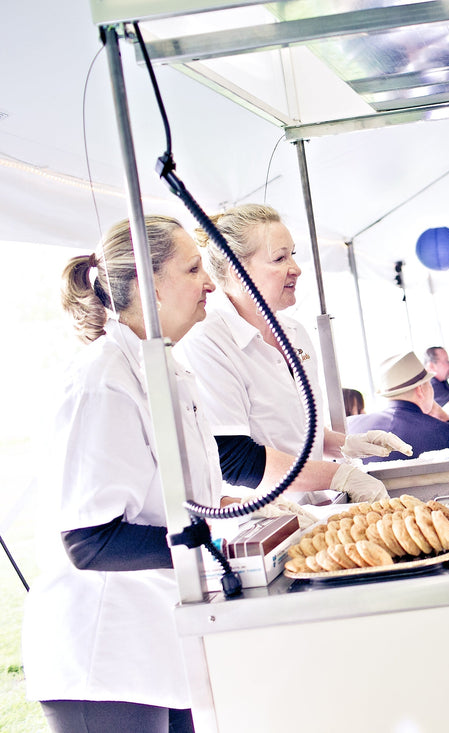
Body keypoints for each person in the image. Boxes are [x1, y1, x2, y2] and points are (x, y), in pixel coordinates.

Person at [23, 216, 219, 733]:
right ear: (150, 286)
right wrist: (213, 547)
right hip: (104, 658)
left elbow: (177, 500)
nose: (209, 283)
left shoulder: (163, 367)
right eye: (193, 269)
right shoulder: (103, 379)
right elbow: (89, 541)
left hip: (159, 646)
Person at [176, 204, 404, 504]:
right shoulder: (208, 341)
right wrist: (339, 476)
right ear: (238, 272)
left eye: (293, 255)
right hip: (268, 519)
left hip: (321, 507)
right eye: (280, 258)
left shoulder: (295, 332)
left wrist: (347, 444)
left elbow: (298, 434)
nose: (296, 268)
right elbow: (235, 458)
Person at [347, 352, 449, 463]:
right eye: (429, 383)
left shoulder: (350, 426)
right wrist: (446, 419)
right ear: (420, 390)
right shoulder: (447, 433)